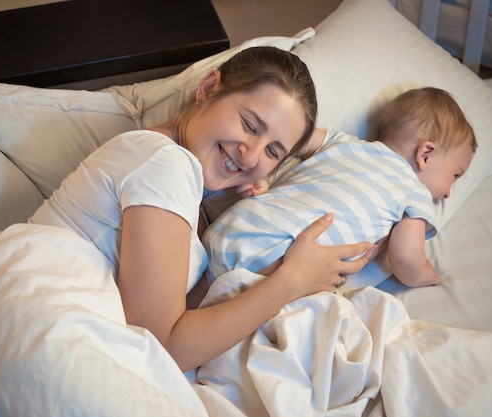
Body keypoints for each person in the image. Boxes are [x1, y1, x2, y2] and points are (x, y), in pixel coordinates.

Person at [28, 46, 376, 372]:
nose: (251, 156)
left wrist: (229, 207)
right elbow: (161, 345)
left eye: (273, 152)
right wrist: (292, 280)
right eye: (250, 125)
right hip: (47, 331)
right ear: (208, 87)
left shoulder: (180, 183)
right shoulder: (166, 163)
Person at [203, 87, 476, 288]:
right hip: (276, 267)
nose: (449, 192)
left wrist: (266, 172)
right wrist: (427, 274)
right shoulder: (413, 193)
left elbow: (294, 137)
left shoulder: (343, 142)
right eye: (455, 174)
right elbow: (406, 258)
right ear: (426, 154)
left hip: (232, 231)